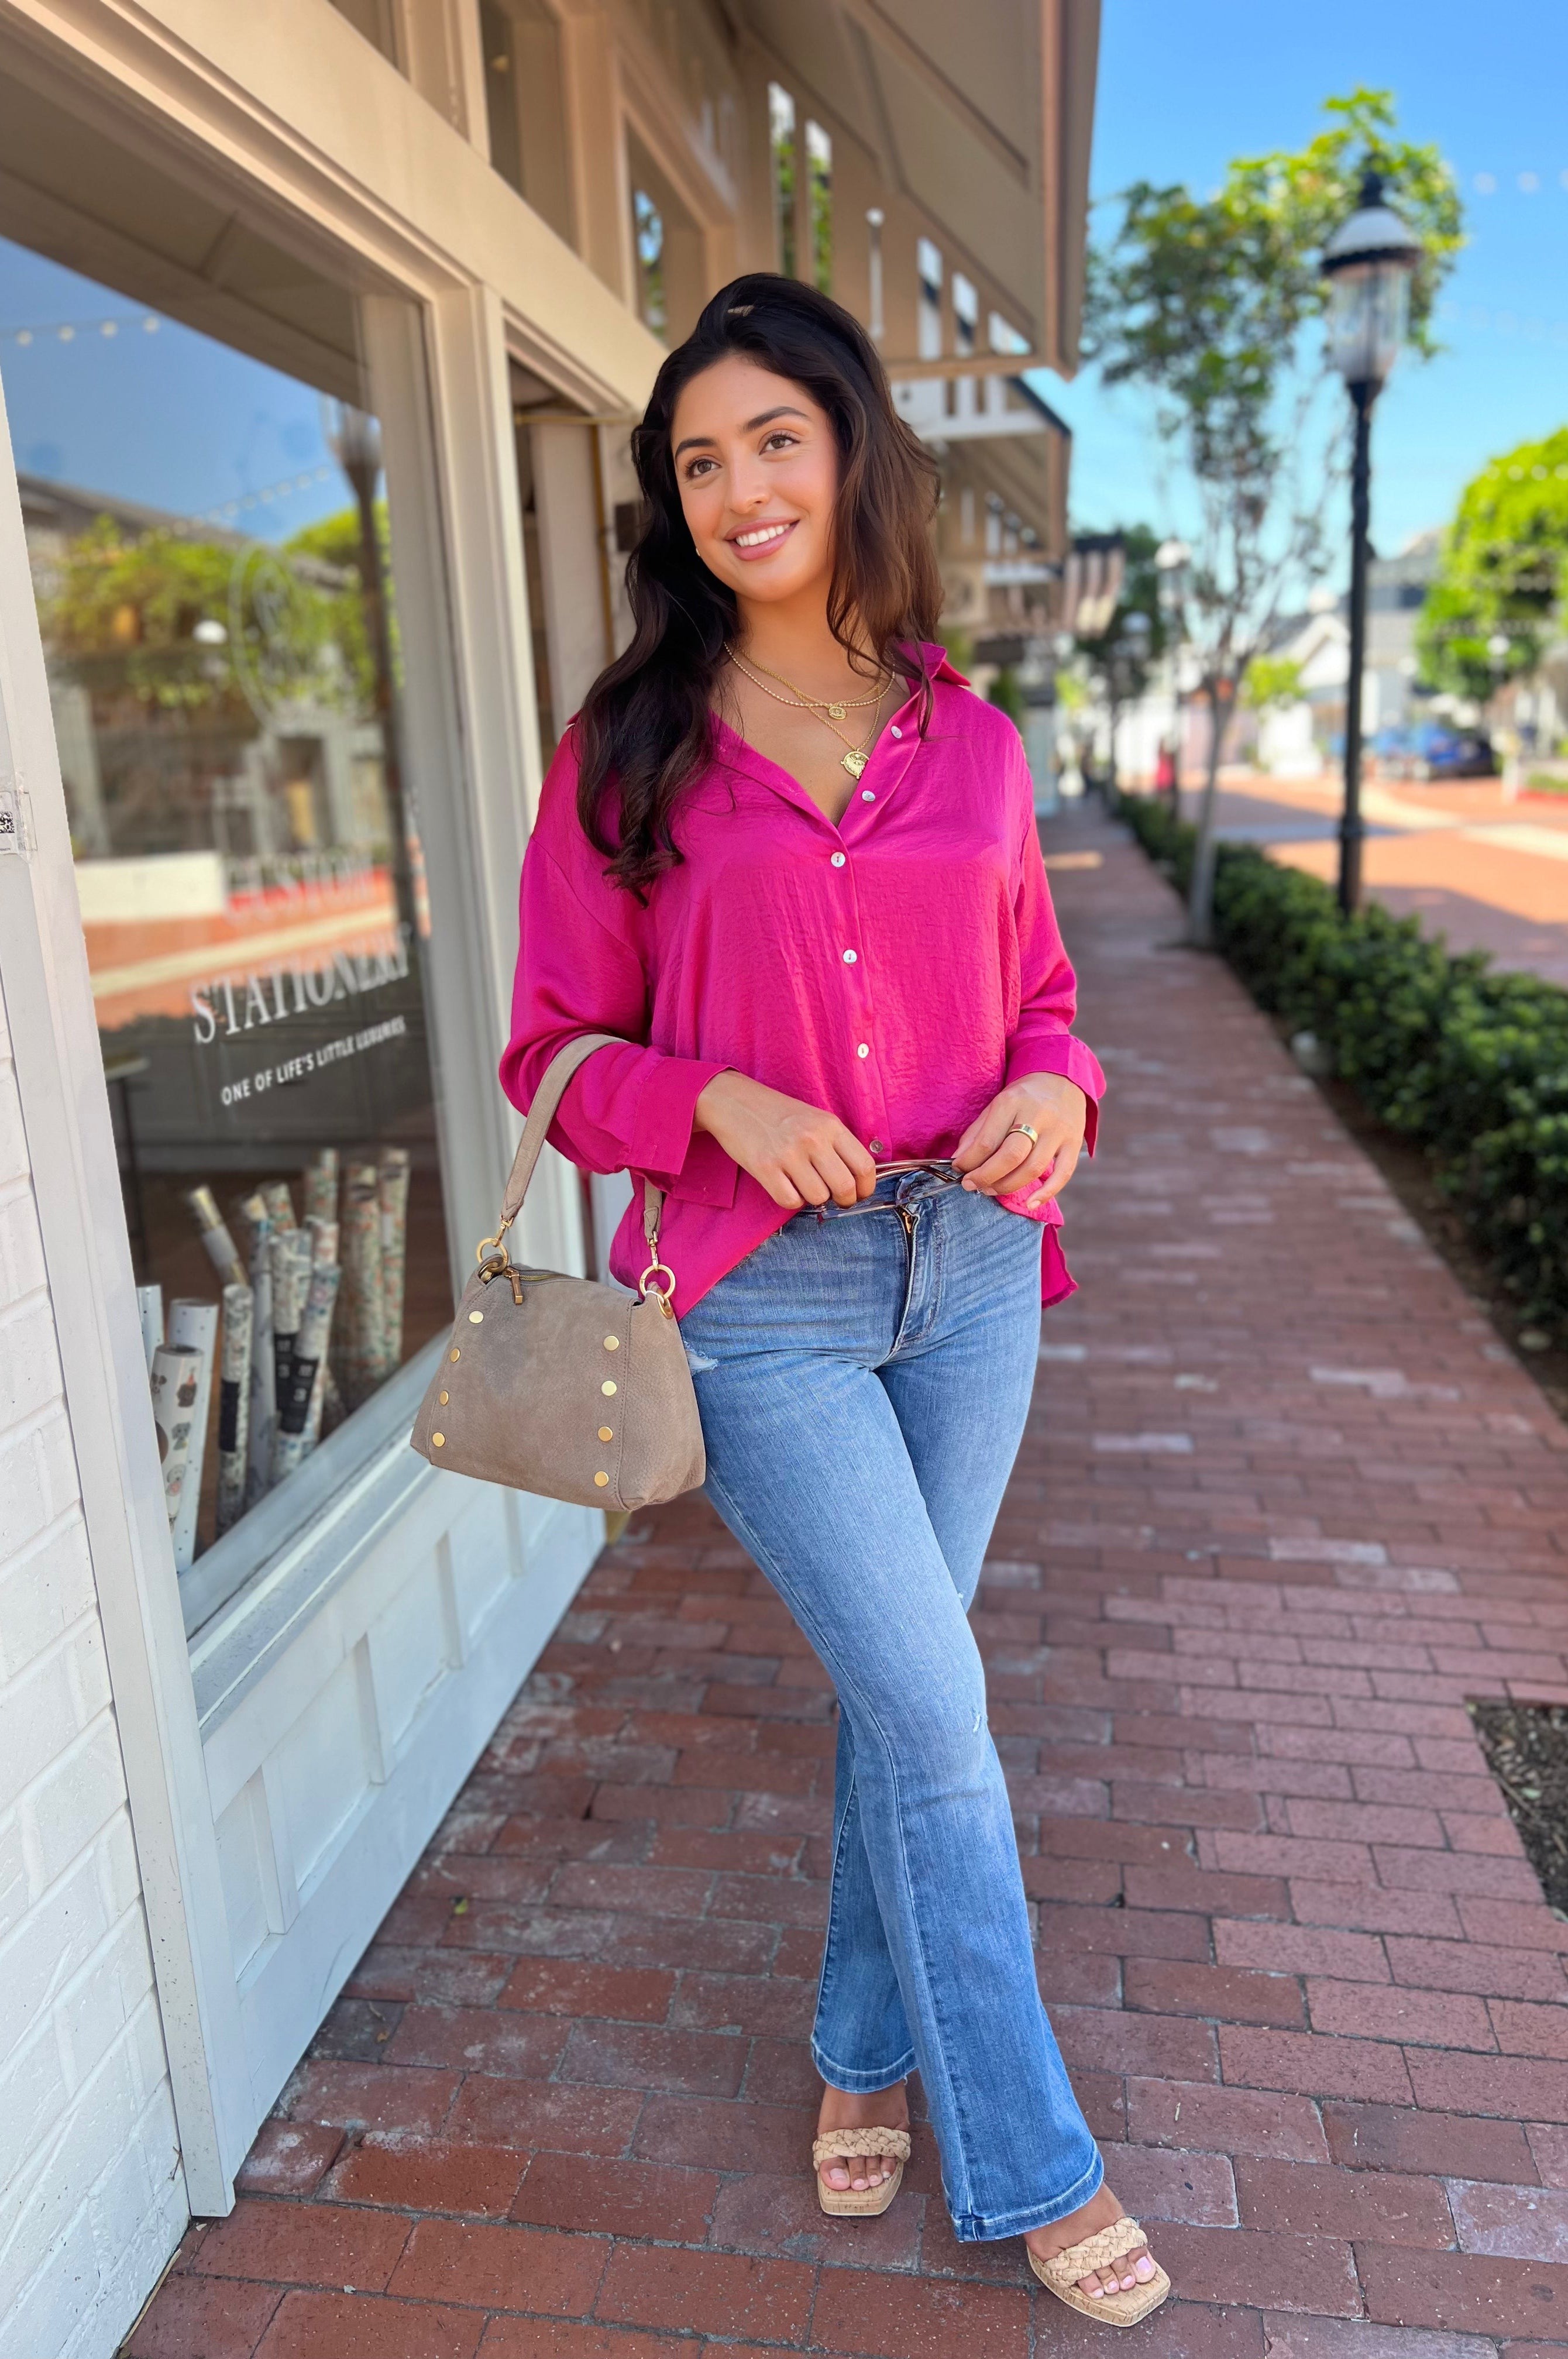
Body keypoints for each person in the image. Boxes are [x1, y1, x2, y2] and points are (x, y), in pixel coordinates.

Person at [501, 274, 1170, 2327]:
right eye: (696, 461)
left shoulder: (971, 738)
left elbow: (1048, 1002)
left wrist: (1058, 1084)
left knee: (910, 1701)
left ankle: (862, 2051)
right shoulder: (631, 747)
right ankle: (1038, 2162)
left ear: (850, 449)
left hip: (974, 1275)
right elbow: (544, 1051)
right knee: (945, 1717)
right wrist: (703, 1088)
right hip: (762, 1305)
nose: (735, 487)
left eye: (771, 439)